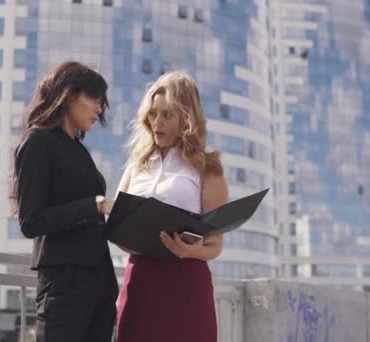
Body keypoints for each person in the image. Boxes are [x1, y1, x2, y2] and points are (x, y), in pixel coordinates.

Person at [115, 71, 229, 342]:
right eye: (153, 114)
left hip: (187, 283)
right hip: (141, 283)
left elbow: (216, 244)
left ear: (186, 119)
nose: (157, 123)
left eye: (167, 115)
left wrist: (192, 250)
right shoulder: (136, 166)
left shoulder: (208, 168)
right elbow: (117, 225)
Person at [12, 61, 118, 342]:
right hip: (64, 284)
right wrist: (93, 206)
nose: (99, 109)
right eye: (94, 98)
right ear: (69, 94)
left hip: (100, 283)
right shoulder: (38, 141)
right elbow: (30, 221)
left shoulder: (79, 150)